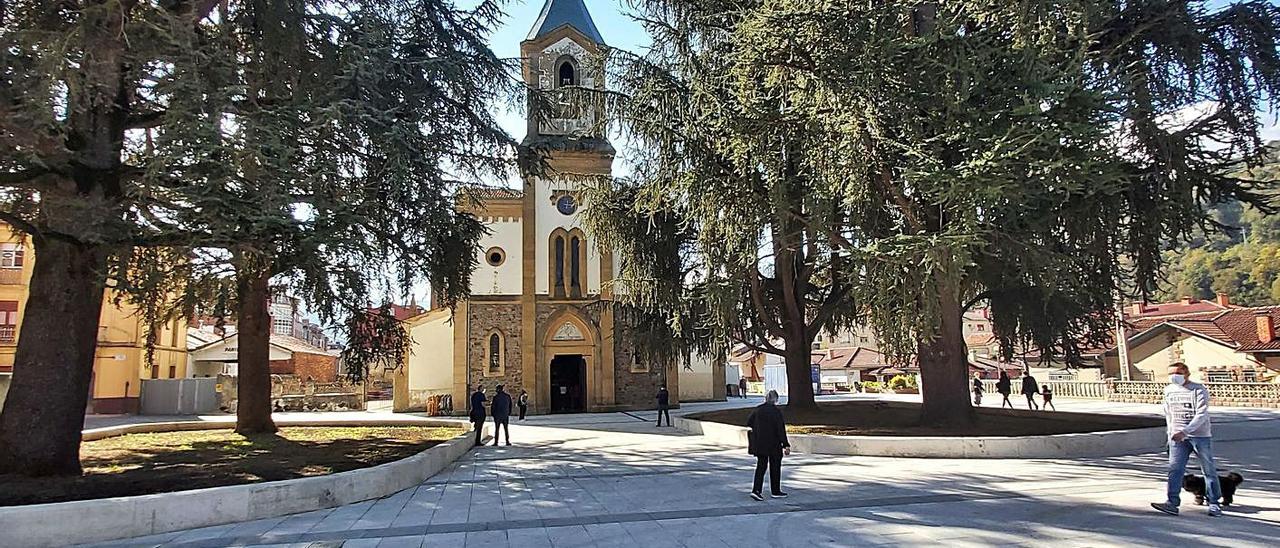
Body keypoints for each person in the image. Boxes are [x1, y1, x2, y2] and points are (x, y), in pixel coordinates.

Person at [1152, 362, 1222, 517]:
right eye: (1171, 374)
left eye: (1177, 373)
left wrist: (1185, 431)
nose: (1174, 377)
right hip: (1176, 438)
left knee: (1208, 470)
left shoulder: (1198, 389)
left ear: (1186, 373)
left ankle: (1214, 503)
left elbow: (1201, 414)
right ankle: (1172, 503)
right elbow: (1168, 413)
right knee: (1175, 470)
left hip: (1199, 436)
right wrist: (1170, 433)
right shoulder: (1169, 390)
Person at [747, 390, 790, 501]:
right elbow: (781, 430)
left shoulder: (758, 410)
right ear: (775, 400)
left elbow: (749, 422)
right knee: (775, 467)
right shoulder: (776, 412)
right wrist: (785, 444)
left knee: (761, 467)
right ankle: (775, 491)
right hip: (774, 444)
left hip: (760, 444)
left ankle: (756, 490)